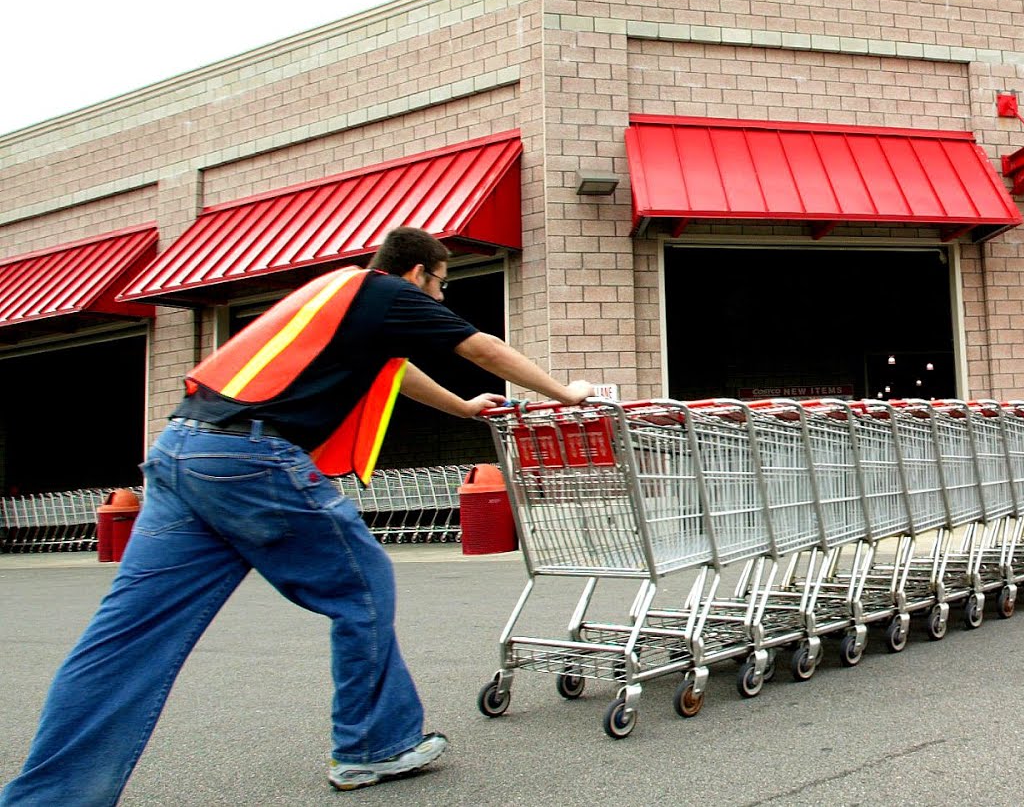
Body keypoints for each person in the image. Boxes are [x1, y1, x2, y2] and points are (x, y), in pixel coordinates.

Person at [1, 227, 591, 804]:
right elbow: (482, 346)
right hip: (250, 458)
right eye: (441, 286)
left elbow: (395, 371)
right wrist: (566, 394)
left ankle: (51, 795)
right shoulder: (389, 292)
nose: (440, 300)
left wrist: (462, 407)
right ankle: (374, 745)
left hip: (181, 448)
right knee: (362, 586)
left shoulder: (336, 294)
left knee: (128, 634)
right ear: (418, 274)